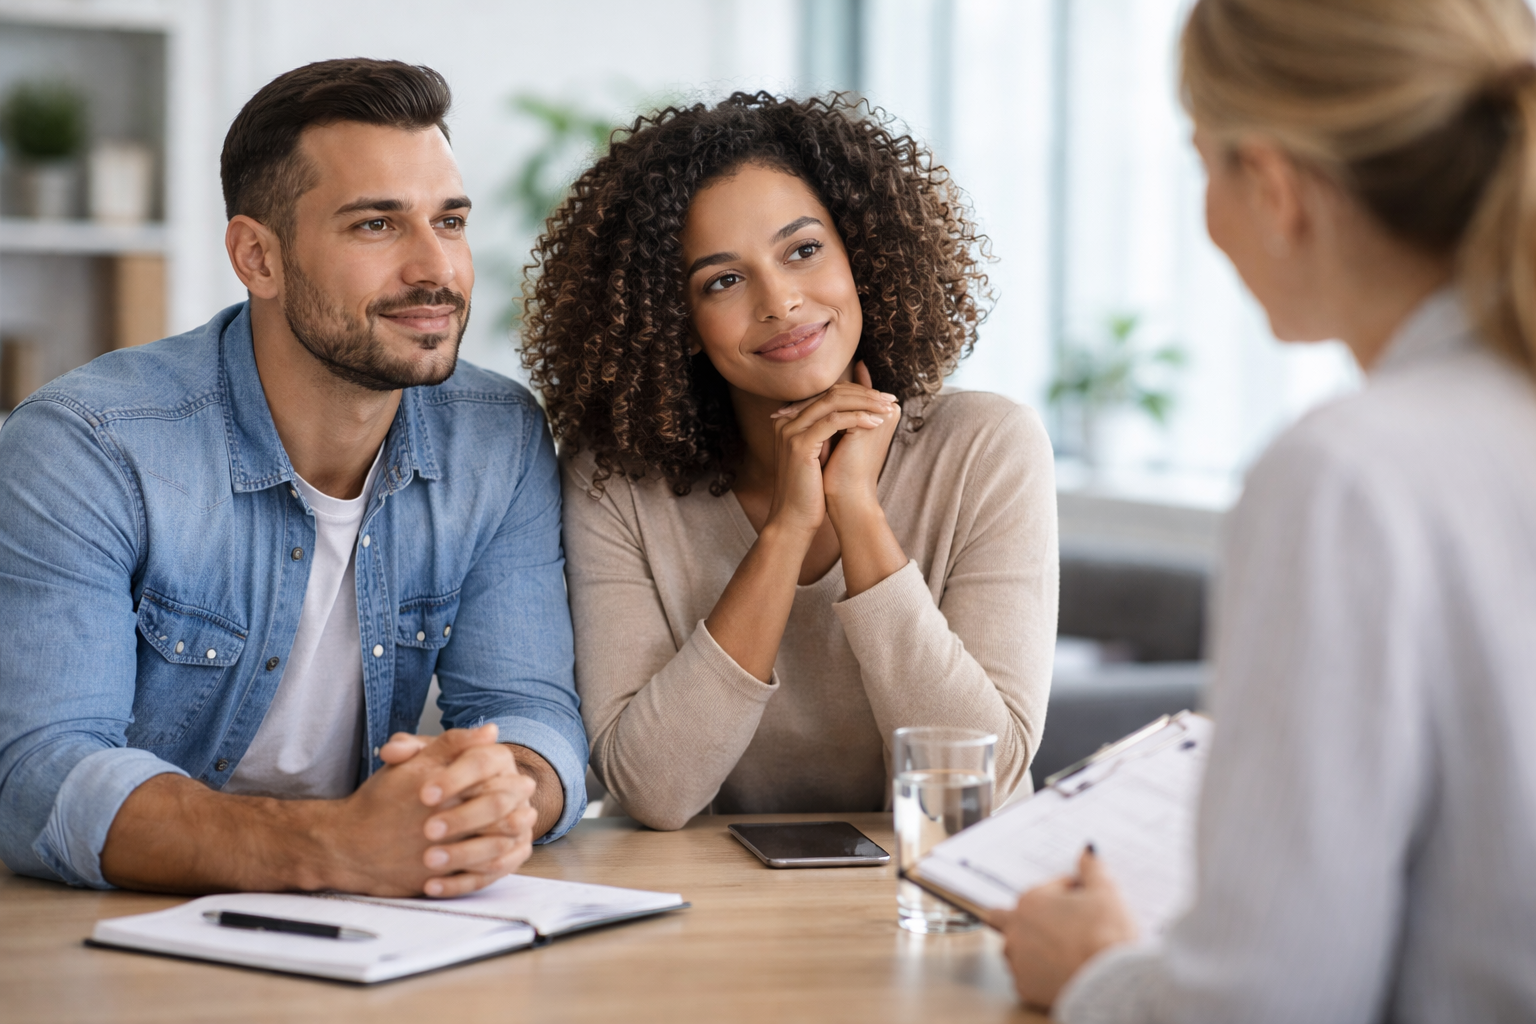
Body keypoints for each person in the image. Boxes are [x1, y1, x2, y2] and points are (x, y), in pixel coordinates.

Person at [988, 0, 1536, 1019]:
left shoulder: (1349, 473)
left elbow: (1271, 1002)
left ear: (1276, 187)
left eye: (1205, 165)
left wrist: (1095, 971)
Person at [0, 59, 587, 897]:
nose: (437, 270)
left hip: (388, 927)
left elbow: (530, 714)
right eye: (376, 226)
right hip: (127, 936)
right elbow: (40, 777)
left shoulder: (498, 438)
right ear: (257, 257)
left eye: (449, 221)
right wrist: (333, 848)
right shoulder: (88, 445)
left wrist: (497, 796)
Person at [520, 93, 1058, 830]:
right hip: (714, 915)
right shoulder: (617, 482)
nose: (781, 302)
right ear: (676, 322)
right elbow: (653, 790)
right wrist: (787, 531)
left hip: (941, 898)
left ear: (859, 256)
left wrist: (857, 512)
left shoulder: (988, 448)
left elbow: (983, 785)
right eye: (723, 280)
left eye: (803, 250)